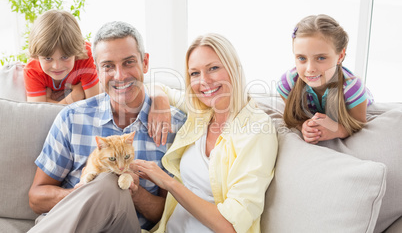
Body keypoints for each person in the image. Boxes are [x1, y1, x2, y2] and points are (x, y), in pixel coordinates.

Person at [27, 21, 186, 232]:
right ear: (97, 68)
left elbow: (167, 214)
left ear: (145, 62)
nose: (119, 75)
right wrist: (85, 195)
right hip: (67, 223)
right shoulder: (73, 118)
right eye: (108, 66)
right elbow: (36, 198)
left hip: (124, 227)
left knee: (110, 182)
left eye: (129, 62)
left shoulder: (175, 127)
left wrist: (134, 192)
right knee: (105, 184)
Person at [138, 33, 278, 233]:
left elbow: (231, 225)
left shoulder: (256, 129)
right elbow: (156, 86)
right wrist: (160, 98)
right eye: (195, 73)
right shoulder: (201, 111)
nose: (204, 81)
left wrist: (167, 182)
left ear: (233, 69)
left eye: (213, 68)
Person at [277, 14, 374, 144]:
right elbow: (295, 118)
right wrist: (304, 126)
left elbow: (359, 123)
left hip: (356, 102)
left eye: (321, 58)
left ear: (340, 56)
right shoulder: (288, 83)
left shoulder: (352, 88)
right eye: (301, 58)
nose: (310, 68)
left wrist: (338, 130)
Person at [24, 9, 100, 104]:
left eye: (65, 57)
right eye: (48, 58)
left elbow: (95, 105)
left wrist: (49, 101)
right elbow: (39, 115)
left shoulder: (86, 56)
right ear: (37, 56)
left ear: (75, 53)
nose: (57, 66)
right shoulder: (32, 70)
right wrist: (74, 97)